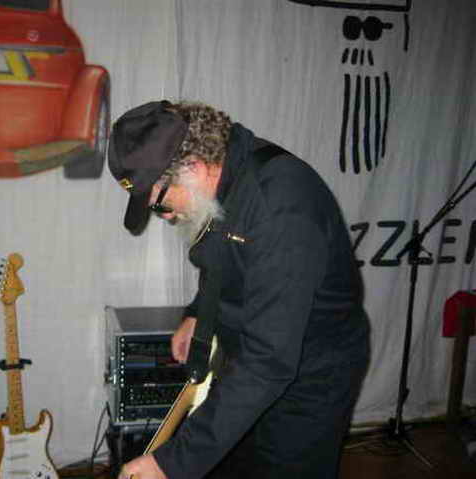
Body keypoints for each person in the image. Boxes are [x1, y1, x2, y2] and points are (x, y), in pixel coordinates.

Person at [107, 100, 370, 479]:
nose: (166, 217)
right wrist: (199, 313)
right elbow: (224, 258)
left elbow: (269, 361)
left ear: (193, 168)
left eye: (160, 205)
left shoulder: (281, 208)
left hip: (309, 373)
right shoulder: (226, 177)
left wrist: (171, 463)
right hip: (253, 363)